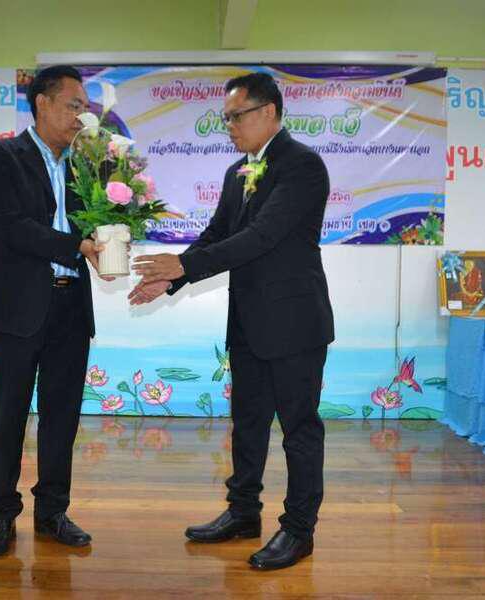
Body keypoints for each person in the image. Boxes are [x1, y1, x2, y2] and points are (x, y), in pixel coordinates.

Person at [130, 72, 334, 571]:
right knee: (247, 424)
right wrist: (170, 280)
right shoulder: (236, 172)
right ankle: (243, 512)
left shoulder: (302, 166)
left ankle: (299, 530)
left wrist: (183, 265)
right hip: (247, 322)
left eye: (236, 116)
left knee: (299, 430)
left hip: (294, 323)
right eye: (226, 119)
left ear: (269, 112)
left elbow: (262, 237)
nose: (229, 127)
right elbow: (218, 235)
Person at [0, 65, 107, 557]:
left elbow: (99, 222)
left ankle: (52, 512)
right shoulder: (0, 156)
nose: (80, 117)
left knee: (61, 417)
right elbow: (13, 227)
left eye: (85, 108)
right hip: (18, 307)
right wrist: (79, 247)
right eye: (74, 106)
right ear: (43, 104)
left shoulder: (83, 167)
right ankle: (0, 515)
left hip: (71, 307)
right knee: (9, 414)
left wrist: (111, 239)